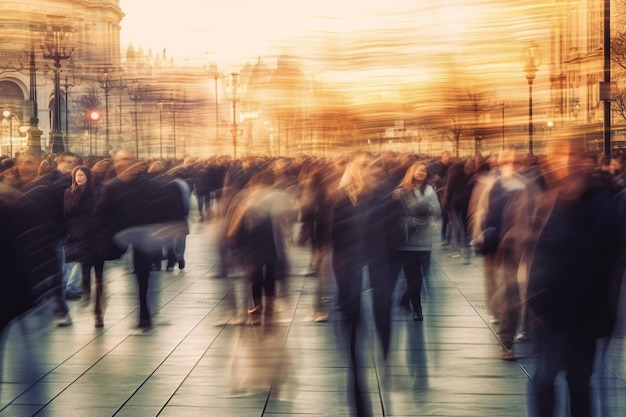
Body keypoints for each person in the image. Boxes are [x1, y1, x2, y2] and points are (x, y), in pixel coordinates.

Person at [525, 140, 622, 417]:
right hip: (551, 312)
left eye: (571, 157)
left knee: (578, 381)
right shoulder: (549, 199)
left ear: (585, 163)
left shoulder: (601, 202)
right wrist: (534, 298)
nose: (565, 163)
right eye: (559, 157)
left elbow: (606, 259)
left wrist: (605, 313)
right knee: (544, 378)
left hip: (584, 313)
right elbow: (539, 253)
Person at [331, 153, 396, 417]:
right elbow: (335, 240)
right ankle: (359, 384)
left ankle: (384, 352)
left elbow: (392, 236)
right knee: (354, 328)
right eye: (365, 169)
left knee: (381, 315)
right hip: (352, 270)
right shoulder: (341, 200)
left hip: (376, 267)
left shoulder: (384, 198)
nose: (370, 173)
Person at [96, 149, 180, 329]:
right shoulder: (111, 187)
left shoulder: (149, 186)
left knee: (144, 276)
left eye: (125, 159)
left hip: (143, 236)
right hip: (117, 236)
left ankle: (145, 313)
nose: (121, 163)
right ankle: (99, 309)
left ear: (134, 162)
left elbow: (162, 208)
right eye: (118, 160)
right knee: (101, 267)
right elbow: (102, 215)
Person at [389, 160, 441, 321]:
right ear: (411, 172)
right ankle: (417, 309)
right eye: (418, 170)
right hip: (407, 241)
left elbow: (437, 210)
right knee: (413, 276)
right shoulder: (401, 192)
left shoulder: (429, 190)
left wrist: (425, 207)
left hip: (425, 240)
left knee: (421, 275)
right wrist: (411, 221)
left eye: (424, 171)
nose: (421, 173)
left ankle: (406, 299)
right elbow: (395, 216)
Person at [63, 165, 105, 327]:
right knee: (85, 271)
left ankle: (98, 312)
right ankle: (87, 293)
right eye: (76, 176)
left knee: (99, 275)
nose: (79, 178)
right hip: (80, 238)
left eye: (81, 175)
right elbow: (66, 215)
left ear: (88, 176)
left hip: (97, 237)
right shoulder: (69, 193)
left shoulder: (97, 192)